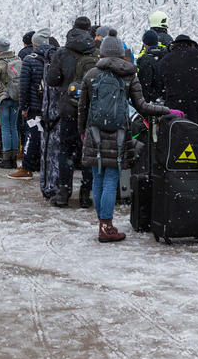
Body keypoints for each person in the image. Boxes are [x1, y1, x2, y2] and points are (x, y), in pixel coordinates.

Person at [78, 30, 177, 242]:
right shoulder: (129, 75)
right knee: (112, 177)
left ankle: (102, 225)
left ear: (102, 53)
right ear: (122, 53)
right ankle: (107, 226)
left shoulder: (91, 75)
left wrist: (82, 131)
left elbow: (82, 108)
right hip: (119, 133)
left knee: (98, 176)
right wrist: (167, 111)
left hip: (94, 132)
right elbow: (142, 106)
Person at [44, 23, 97, 207]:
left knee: (66, 150)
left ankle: (64, 193)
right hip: (88, 109)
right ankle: (85, 194)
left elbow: (52, 79)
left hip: (68, 109)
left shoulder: (62, 52)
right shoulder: (93, 52)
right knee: (87, 152)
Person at [10, 28, 53, 179]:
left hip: (35, 107)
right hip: (52, 106)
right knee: (49, 137)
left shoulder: (30, 59)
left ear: (34, 44)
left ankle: (27, 167)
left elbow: (24, 86)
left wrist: (23, 107)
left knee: (32, 135)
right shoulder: (55, 57)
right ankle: (46, 166)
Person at [156, 34, 198, 123]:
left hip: (174, 106)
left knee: (177, 133)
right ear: (191, 44)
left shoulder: (164, 60)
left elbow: (159, 86)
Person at [0, 37, 21, 169]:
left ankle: (6, 159)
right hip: (16, 98)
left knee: (5, 128)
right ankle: (14, 158)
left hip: (3, 98)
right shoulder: (17, 60)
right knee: (13, 126)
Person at [136, 29, 167, 102]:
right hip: (166, 100)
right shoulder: (166, 56)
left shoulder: (145, 60)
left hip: (152, 102)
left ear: (145, 44)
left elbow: (144, 84)